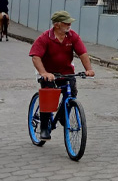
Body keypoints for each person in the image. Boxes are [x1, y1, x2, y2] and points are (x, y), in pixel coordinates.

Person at [29, 10, 95, 140]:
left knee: (72, 92)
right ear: (57, 24)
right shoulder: (45, 38)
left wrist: (89, 69)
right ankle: (43, 127)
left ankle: (63, 115)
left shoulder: (72, 36)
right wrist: (44, 73)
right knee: (48, 95)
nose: (69, 24)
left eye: (69, 22)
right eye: (66, 22)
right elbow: (36, 57)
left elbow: (83, 53)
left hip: (66, 72)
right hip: (48, 73)